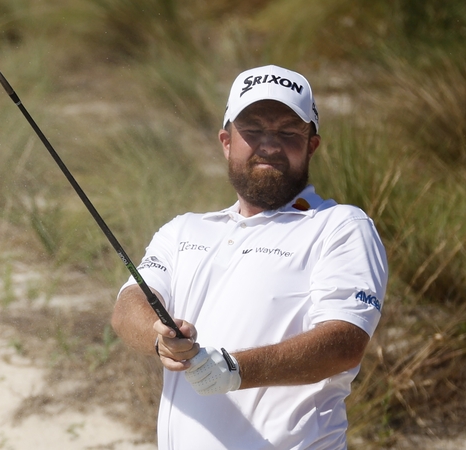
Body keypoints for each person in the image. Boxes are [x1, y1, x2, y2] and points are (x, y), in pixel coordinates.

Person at [111, 65, 388, 449]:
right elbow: (129, 305)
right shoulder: (184, 230)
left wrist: (235, 370)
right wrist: (160, 339)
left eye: (288, 132)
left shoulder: (340, 226)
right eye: (253, 130)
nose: (269, 145)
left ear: (311, 145)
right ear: (226, 141)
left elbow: (345, 342)